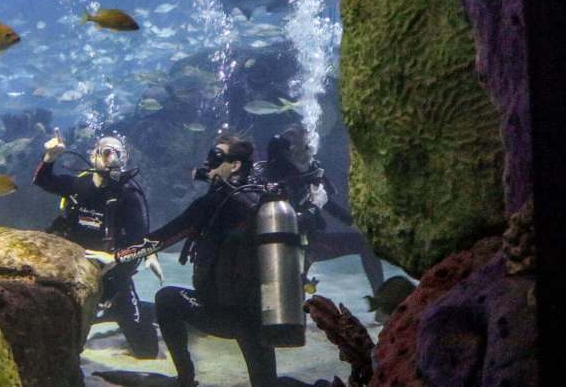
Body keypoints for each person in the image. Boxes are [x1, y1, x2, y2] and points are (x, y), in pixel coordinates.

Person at [113, 134, 276, 387]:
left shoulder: (213, 203)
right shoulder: (264, 202)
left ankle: (185, 380)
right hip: (262, 317)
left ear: (235, 166)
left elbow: (161, 239)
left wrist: (117, 258)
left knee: (167, 299)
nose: (209, 163)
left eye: (216, 157)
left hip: (221, 313)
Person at [34, 130, 159, 359]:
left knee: (147, 349)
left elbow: (140, 242)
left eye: (118, 153)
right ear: (93, 156)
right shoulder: (79, 184)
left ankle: (143, 311)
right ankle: (97, 313)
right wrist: (49, 158)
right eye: (107, 152)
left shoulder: (129, 195)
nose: (112, 159)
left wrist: (116, 259)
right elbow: (43, 181)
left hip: (112, 276)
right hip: (74, 272)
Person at [259, 125, 384, 295]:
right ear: (289, 150)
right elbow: (294, 220)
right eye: (304, 145)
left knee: (366, 243)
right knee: (291, 298)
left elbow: (326, 202)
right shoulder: (277, 176)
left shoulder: (308, 170)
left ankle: (381, 301)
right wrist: (314, 205)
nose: (308, 151)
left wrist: (353, 222)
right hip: (287, 246)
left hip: (311, 241)